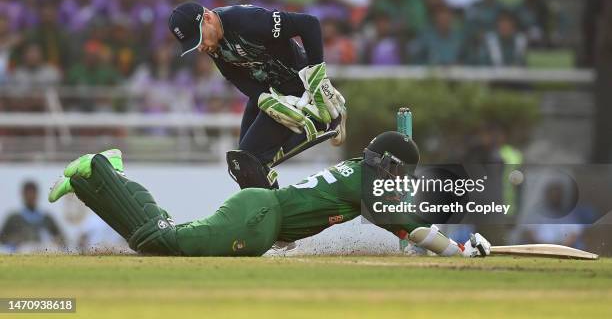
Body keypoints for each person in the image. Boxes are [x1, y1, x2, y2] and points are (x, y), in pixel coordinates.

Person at [47, 132, 490, 258]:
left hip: (261, 217)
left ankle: (97, 179)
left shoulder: (359, 172)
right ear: (391, 165)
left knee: (160, 236)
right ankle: (102, 167)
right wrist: (462, 250)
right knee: (159, 241)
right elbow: (411, 229)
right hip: (257, 218)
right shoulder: (367, 182)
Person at [168, 2, 346, 189]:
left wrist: (316, 72)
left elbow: (308, 23)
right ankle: (269, 207)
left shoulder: (247, 21)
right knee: (240, 164)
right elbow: (232, 74)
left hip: (296, 86)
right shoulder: (213, 42)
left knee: (248, 161)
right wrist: (263, 98)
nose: (200, 47)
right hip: (270, 89)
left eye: (199, 38)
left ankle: (327, 118)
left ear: (208, 18)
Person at [1, 181, 65, 253]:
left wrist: (56, 240)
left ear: (37, 195)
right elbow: (2, 238)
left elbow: (62, 238)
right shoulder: (14, 218)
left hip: (42, 253)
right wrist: (13, 240)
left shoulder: (46, 218)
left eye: (33, 193)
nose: (31, 196)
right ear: (23, 195)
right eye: (28, 194)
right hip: (20, 254)